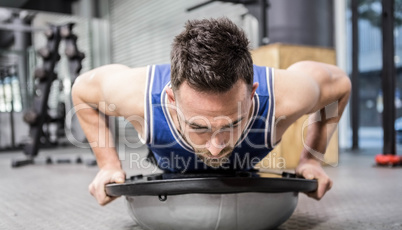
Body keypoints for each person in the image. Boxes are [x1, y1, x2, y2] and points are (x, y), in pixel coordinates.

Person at [72, 17, 351, 206]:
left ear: (253, 93)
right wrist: (108, 164)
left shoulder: (286, 95)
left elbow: (340, 85)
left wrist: (311, 159)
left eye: (232, 123)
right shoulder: (135, 94)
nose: (216, 148)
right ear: (170, 99)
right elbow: (82, 91)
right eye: (199, 127)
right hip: (169, 170)